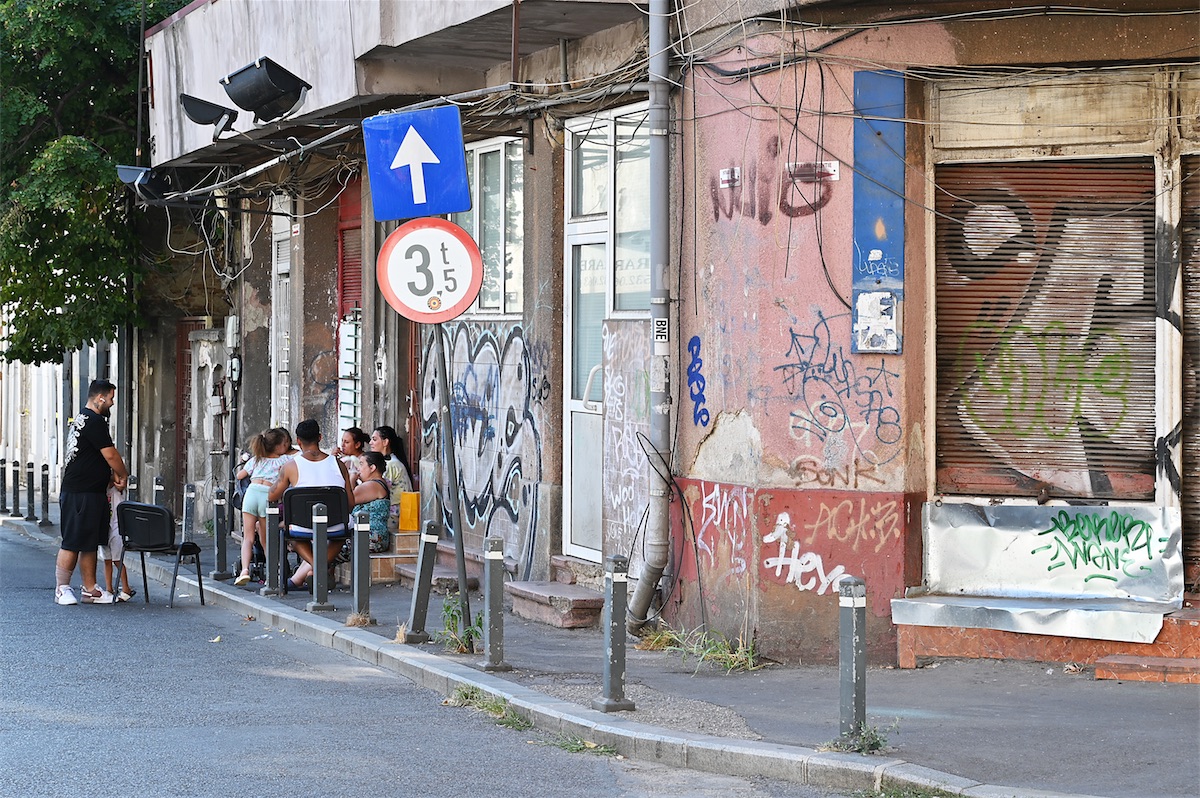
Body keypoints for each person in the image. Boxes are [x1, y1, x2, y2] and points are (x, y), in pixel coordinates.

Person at [55, 379, 129, 605]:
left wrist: (108, 476)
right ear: (100, 398)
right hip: (80, 492)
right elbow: (110, 455)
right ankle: (61, 588)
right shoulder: (94, 420)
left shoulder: (83, 418)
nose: (112, 403)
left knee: (89, 542)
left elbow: (89, 457)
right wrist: (122, 474)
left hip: (91, 491)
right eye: (111, 398)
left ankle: (90, 590)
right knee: (72, 540)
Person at [268, 419, 354, 590]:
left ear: (298, 441)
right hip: (336, 524)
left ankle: (317, 567)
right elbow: (350, 503)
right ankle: (320, 568)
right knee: (342, 533)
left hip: (302, 526)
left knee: (291, 533)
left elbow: (272, 495)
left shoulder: (290, 466)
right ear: (320, 437)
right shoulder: (339, 465)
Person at [233, 427, 291, 586]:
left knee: (248, 538)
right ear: (278, 446)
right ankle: (272, 574)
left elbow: (239, 475)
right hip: (267, 496)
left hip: (251, 494)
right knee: (266, 539)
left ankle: (245, 570)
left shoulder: (256, 459)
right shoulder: (284, 460)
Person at [369, 425, 414, 536]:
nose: (370, 443)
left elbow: (377, 490)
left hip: (394, 516)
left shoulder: (391, 465)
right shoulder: (390, 463)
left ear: (385, 442)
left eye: (374, 439)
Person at [100, 484, 135, 601]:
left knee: (117, 560)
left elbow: (120, 481)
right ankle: (109, 588)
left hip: (116, 528)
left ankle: (126, 588)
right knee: (107, 560)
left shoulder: (117, 489)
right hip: (105, 528)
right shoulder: (101, 489)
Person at [352, 451, 392, 553]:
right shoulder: (378, 483)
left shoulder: (373, 485)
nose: (358, 468)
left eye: (361, 464)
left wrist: (351, 480)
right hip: (372, 536)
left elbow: (349, 500)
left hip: (371, 538)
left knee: (328, 547)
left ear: (372, 468)